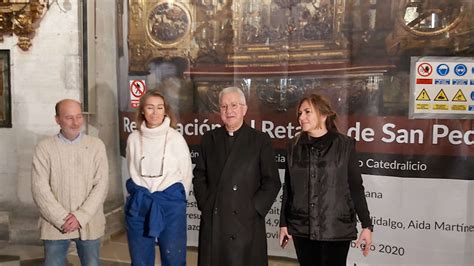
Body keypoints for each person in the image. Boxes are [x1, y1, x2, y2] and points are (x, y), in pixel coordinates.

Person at [279, 94, 373, 266]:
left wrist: (367, 225)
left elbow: (355, 187)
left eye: (307, 112)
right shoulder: (293, 146)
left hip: (335, 229)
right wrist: (283, 223)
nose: (301, 117)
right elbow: (289, 188)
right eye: (299, 113)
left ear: (323, 115)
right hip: (302, 228)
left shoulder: (344, 145)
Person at [193, 86, 281, 266]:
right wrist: (206, 203)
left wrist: (254, 208)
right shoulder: (209, 138)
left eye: (234, 105)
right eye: (224, 106)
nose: (229, 111)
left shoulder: (260, 140)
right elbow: (199, 175)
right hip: (215, 221)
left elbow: (271, 182)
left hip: (246, 223)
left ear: (244, 109)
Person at [31, 99, 109, 266]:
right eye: (69, 118)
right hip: (55, 225)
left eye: (79, 116)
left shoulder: (96, 146)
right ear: (57, 119)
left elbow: (101, 186)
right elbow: (40, 189)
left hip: (89, 222)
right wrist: (62, 219)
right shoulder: (44, 148)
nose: (75, 123)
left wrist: (80, 216)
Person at [125, 89, 192, 266]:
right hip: (141, 203)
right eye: (150, 107)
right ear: (142, 111)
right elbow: (131, 168)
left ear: (166, 110)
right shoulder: (133, 138)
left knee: (173, 257)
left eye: (159, 107)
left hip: (170, 204)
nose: (155, 112)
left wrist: (176, 200)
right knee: (140, 259)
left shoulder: (176, 138)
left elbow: (186, 174)